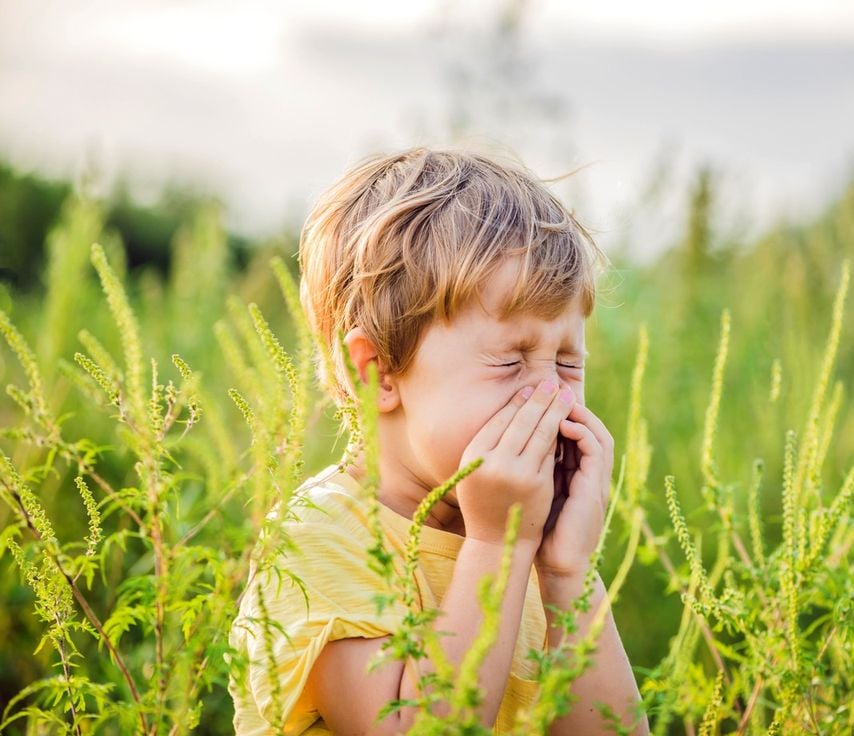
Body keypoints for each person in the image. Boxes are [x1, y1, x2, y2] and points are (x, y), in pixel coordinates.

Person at [228, 146, 648, 735]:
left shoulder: (526, 539)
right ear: (375, 371)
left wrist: (569, 575)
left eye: (568, 364)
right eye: (510, 361)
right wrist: (497, 551)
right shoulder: (317, 541)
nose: (552, 398)